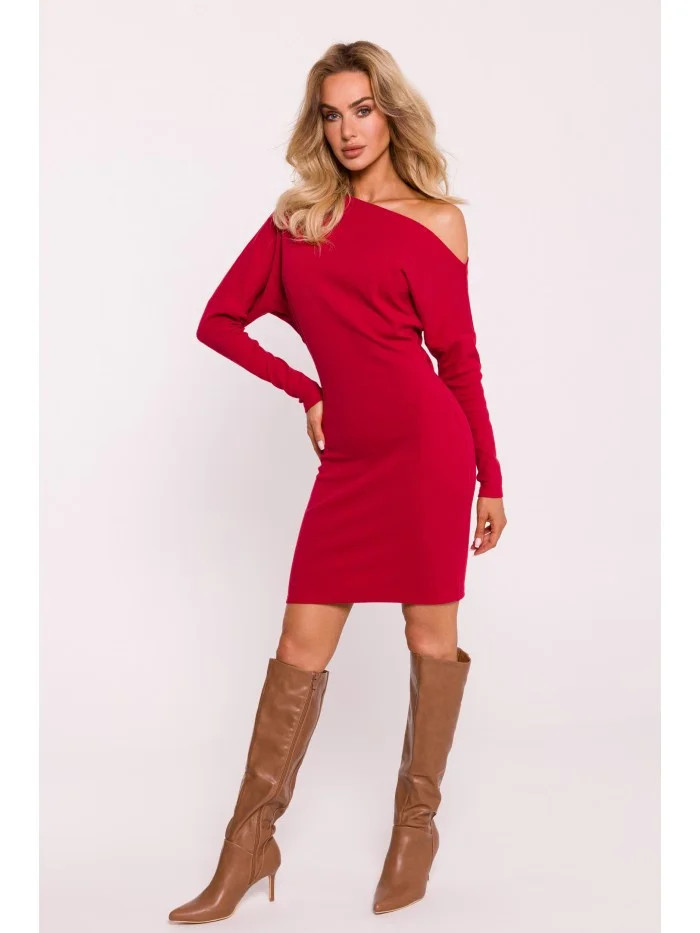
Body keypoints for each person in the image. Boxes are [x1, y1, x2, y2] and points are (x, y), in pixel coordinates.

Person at [168, 39, 507, 924]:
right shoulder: (300, 223)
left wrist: (491, 478)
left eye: (362, 109)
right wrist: (307, 389)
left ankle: (415, 830)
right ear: (317, 125)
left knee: (431, 640)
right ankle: (248, 843)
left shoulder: (437, 221)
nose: (349, 129)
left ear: (389, 113)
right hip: (351, 463)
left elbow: (460, 362)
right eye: (331, 114)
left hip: (431, 455)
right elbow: (219, 320)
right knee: (299, 646)